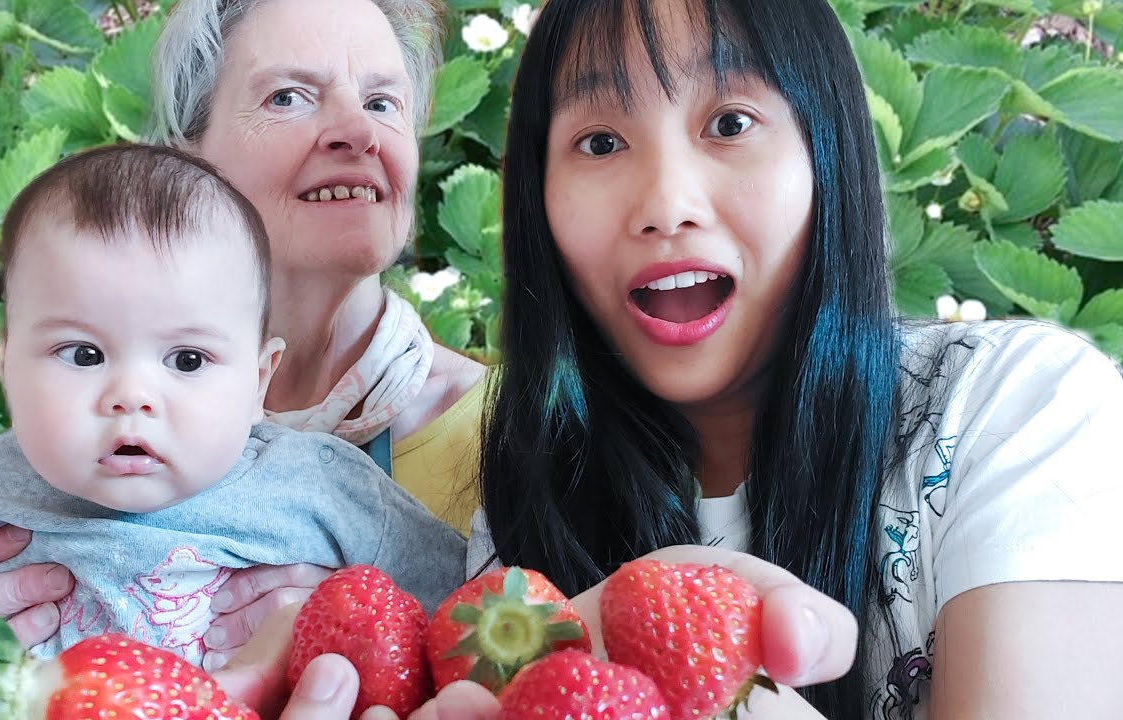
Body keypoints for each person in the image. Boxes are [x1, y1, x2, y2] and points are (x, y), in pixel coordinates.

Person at [469, 0, 1123, 718]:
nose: (666, 202)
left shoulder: (1014, 410)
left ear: (826, 149)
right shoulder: (534, 490)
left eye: (729, 124)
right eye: (598, 142)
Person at [0, 0, 487, 674]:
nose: (356, 131)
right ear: (181, 160)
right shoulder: (70, 437)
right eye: (289, 96)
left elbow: (551, 665)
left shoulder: (516, 437)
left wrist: (382, 625)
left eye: (382, 102)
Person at [0, 144, 464, 714]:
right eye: (83, 354)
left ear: (257, 380)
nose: (131, 397)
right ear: (5, 364)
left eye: (187, 361)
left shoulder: (322, 490)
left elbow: (450, 616)